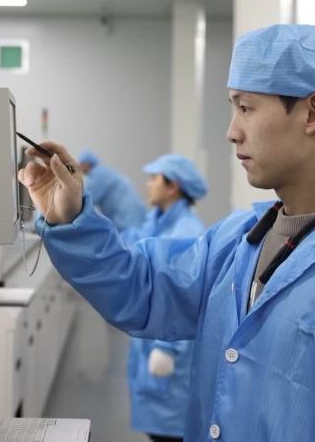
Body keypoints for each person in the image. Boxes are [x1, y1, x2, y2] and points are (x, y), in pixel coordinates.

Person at [18, 24, 315, 441]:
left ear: (314, 112)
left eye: (246, 107)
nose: (232, 132)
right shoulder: (237, 239)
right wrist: (70, 217)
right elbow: (143, 288)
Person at [125, 154, 208, 442]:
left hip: (169, 349)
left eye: (154, 178)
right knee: (156, 425)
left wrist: (167, 348)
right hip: (150, 344)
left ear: (173, 187)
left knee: (170, 429)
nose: (148, 184)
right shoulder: (158, 223)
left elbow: (190, 298)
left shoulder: (187, 231)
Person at [77, 150, 145, 231]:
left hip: (126, 213)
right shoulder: (104, 172)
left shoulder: (98, 174)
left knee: (131, 235)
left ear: (87, 163)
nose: (79, 167)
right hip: (130, 211)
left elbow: (86, 199)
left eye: (81, 164)